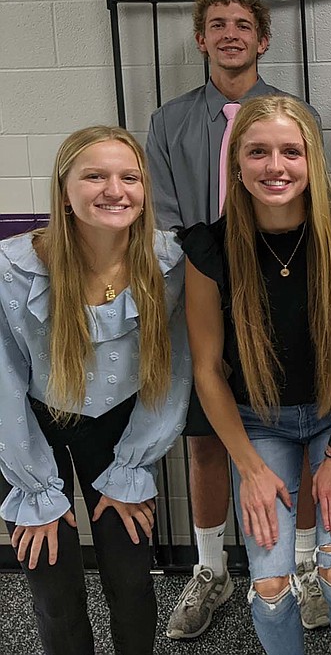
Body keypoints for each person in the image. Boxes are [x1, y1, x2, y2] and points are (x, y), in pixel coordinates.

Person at [146, 0, 329, 639]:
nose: (230, 34)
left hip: (281, 297)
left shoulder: (292, 114)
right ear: (200, 38)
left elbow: (309, 205)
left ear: (263, 38)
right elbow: (165, 220)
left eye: (242, 24)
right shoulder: (169, 121)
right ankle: (210, 568)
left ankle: (303, 564)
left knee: (299, 434)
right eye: (217, 24)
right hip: (202, 289)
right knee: (204, 441)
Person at [181, 94, 331, 655]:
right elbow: (207, 370)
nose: (275, 167)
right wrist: (249, 468)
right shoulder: (209, 248)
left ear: (311, 159)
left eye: (291, 151)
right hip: (257, 424)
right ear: (237, 165)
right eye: (258, 152)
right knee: (270, 588)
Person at [0, 126, 190, 655]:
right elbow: (3, 381)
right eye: (95, 176)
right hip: (29, 429)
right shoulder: (12, 268)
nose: (115, 189)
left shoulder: (170, 263)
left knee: (130, 579)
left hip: (122, 428)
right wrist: (36, 486)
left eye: (129, 177)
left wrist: (133, 466)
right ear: (64, 190)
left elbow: (173, 371)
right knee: (52, 584)